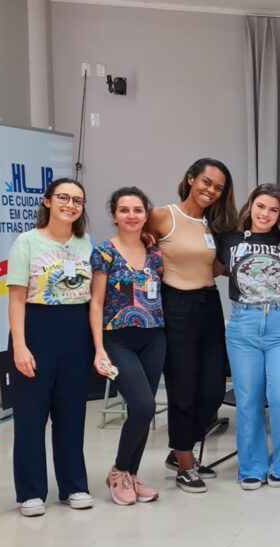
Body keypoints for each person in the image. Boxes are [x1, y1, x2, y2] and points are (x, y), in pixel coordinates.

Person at [148, 157, 238, 493]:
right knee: (183, 388)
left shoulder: (215, 225)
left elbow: (215, 267)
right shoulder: (163, 215)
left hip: (209, 304)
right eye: (206, 182)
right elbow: (135, 249)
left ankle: (179, 449)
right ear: (190, 178)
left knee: (213, 388)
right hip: (176, 306)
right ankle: (185, 464)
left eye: (219, 188)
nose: (211, 191)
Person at [216, 185, 280, 490]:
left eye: (274, 209)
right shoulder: (229, 239)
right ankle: (251, 467)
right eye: (261, 206)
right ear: (250, 206)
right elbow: (211, 269)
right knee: (248, 400)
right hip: (243, 323)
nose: (265, 214)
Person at [7, 178, 95, 516]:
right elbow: (16, 299)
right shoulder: (27, 242)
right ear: (47, 201)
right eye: (63, 197)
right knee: (31, 416)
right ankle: (30, 492)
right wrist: (19, 346)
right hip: (36, 329)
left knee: (72, 413)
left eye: (77, 200)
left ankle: (73, 485)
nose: (70, 205)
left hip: (76, 331)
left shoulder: (86, 244)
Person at [90, 187, 165, 506]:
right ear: (114, 215)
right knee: (144, 406)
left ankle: (131, 475)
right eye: (124, 210)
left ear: (146, 215)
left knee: (141, 411)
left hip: (154, 338)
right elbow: (96, 302)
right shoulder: (104, 252)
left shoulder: (155, 252)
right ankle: (119, 471)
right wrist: (99, 349)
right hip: (117, 339)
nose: (131, 215)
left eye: (137, 210)